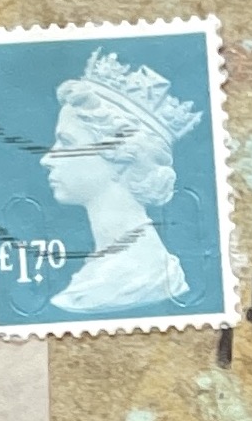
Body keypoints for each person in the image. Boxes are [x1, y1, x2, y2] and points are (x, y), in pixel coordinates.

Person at [44, 47, 199, 314]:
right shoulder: (107, 264)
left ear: (121, 157)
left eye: (66, 142)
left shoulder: (141, 273)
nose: (47, 158)